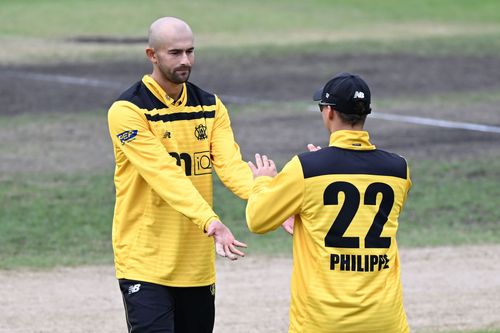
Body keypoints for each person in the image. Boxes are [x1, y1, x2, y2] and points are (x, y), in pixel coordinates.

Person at [107, 17, 253, 332]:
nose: (185, 60)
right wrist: (210, 221)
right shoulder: (128, 111)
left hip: (196, 265)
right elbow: (164, 175)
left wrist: (270, 198)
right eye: (175, 53)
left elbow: (231, 166)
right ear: (152, 55)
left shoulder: (211, 106)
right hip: (145, 262)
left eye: (190, 51)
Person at [246, 72, 412, 332]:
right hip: (384, 320)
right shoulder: (399, 169)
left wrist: (263, 181)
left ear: (329, 112)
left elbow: (257, 220)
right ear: (365, 113)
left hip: (322, 321)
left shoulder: (306, 168)